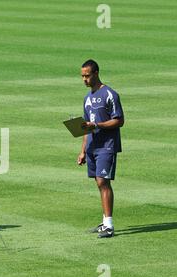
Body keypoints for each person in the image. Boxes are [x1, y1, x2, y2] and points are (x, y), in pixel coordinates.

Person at [77, 59, 124, 238]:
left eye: (87, 76)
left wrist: (97, 124)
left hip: (107, 146)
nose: (84, 80)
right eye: (82, 76)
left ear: (96, 73)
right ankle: (105, 222)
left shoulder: (110, 94)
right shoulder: (87, 99)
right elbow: (86, 128)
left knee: (103, 182)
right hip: (92, 147)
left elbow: (119, 120)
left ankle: (109, 226)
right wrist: (82, 150)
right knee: (99, 183)